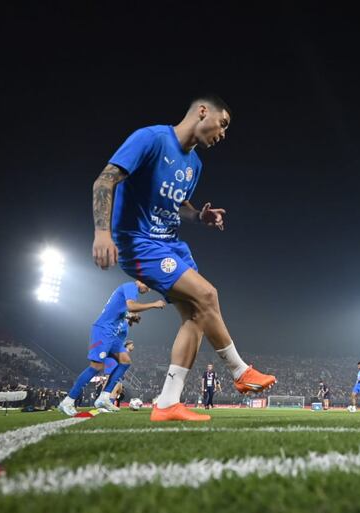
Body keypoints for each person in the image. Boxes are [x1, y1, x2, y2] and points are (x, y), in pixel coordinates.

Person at [90, 94, 276, 422]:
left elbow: (179, 205)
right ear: (203, 112)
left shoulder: (195, 164)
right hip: (139, 243)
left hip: (172, 246)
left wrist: (199, 217)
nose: (223, 133)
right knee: (208, 295)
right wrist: (102, 233)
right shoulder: (151, 138)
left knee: (196, 316)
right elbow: (105, 179)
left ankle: (167, 403)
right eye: (223, 123)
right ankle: (239, 370)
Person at [59, 282, 162, 416]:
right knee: (96, 367)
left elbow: (121, 310)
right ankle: (68, 401)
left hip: (113, 335)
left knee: (125, 361)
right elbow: (131, 305)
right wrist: (153, 304)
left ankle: (104, 397)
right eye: (148, 286)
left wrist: (130, 316)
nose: (148, 290)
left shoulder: (130, 291)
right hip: (103, 331)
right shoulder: (130, 287)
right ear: (140, 280)